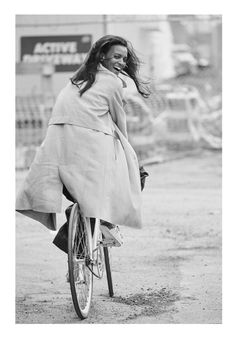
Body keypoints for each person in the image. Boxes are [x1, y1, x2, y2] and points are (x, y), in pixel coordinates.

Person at [16, 35, 149, 251]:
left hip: (55, 153)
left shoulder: (76, 80)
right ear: (102, 55)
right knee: (134, 178)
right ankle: (102, 225)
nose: (122, 63)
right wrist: (132, 158)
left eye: (124, 59)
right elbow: (120, 124)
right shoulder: (113, 83)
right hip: (87, 153)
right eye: (117, 57)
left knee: (90, 192)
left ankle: (81, 232)